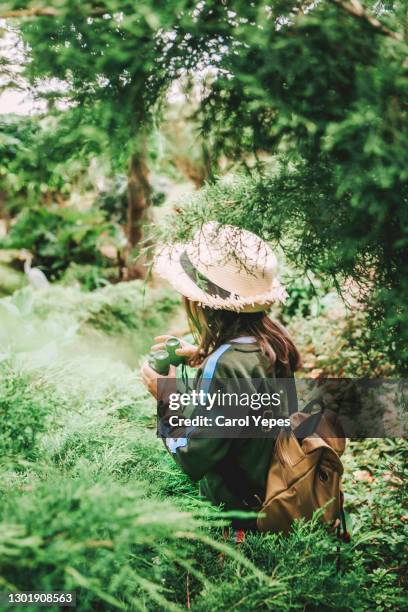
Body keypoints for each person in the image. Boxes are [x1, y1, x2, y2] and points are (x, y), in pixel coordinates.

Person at [141, 222, 301, 534]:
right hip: (275, 484)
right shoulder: (272, 340)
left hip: (238, 514)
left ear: (201, 303)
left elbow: (194, 456)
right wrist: (205, 354)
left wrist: (165, 397)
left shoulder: (225, 364)